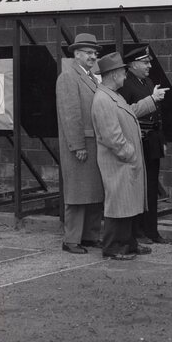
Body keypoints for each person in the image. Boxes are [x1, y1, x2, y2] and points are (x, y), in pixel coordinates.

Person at [90, 52, 167, 260]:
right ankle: (114, 248)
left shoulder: (113, 95)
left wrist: (152, 100)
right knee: (118, 206)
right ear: (114, 74)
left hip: (124, 161)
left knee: (128, 204)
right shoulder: (104, 100)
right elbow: (111, 136)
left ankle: (129, 244)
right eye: (123, 71)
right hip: (119, 161)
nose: (125, 75)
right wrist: (129, 153)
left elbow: (131, 112)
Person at [55, 32, 104, 254]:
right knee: (77, 194)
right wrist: (77, 146)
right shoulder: (68, 77)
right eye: (88, 53)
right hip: (80, 145)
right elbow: (70, 114)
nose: (93, 57)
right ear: (76, 54)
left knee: (92, 192)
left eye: (94, 53)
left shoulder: (91, 77)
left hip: (92, 144)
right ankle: (71, 240)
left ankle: (90, 236)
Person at [118, 45, 169, 244]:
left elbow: (157, 114)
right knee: (139, 187)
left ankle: (151, 231)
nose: (149, 65)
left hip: (152, 139)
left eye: (149, 62)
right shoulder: (125, 84)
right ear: (133, 64)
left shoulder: (147, 81)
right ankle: (138, 231)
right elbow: (125, 112)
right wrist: (151, 99)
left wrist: (161, 140)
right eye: (145, 62)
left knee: (152, 186)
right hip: (138, 139)